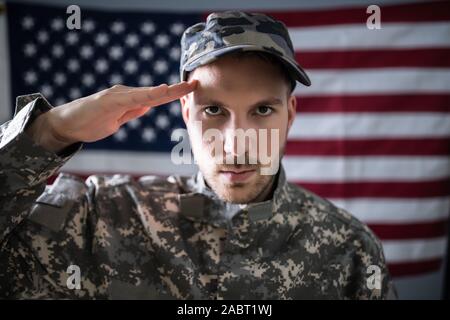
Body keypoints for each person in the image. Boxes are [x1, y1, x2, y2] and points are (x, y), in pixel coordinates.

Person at [0, 11, 397, 299]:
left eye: (262, 110)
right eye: (214, 111)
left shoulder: (349, 251)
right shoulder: (99, 220)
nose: (236, 144)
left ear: (290, 115)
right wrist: (49, 131)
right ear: (186, 114)